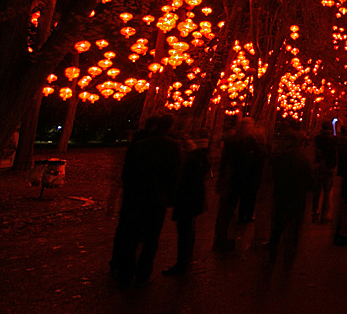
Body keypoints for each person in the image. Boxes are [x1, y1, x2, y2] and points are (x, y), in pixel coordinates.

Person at [110, 114, 181, 286]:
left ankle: (126, 272)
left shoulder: (140, 146)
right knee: (151, 237)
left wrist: (128, 193)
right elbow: (173, 175)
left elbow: (127, 172)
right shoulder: (173, 146)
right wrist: (171, 197)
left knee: (132, 235)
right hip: (157, 197)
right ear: (170, 127)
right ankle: (143, 273)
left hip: (136, 195)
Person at [213, 117, 266, 251]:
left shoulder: (233, 140)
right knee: (227, 210)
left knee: (226, 211)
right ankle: (223, 239)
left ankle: (221, 238)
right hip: (240, 179)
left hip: (233, 179)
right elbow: (258, 158)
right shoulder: (248, 141)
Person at [162, 127, 210, 276]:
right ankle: (185, 261)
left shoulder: (188, 161)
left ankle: (183, 264)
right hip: (193, 199)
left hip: (187, 199)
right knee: (188, 230)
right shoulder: (198, 158)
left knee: (185, 230)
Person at [268, 124, 314, 266]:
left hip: (281, 192)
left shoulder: (277, 156)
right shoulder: (302, 157)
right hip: (297, 194)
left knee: (278, 223)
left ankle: (273, 247)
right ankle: (291, 247)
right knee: (295, 223)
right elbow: (310, 178)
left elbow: (272, 174)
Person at [312, 123, 337, 223]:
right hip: (329, 167)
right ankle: (324, 214)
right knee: (327, 192)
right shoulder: (333, 140)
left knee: (317, 191)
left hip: (319, 167)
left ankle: (315, 212)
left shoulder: (318, 138)